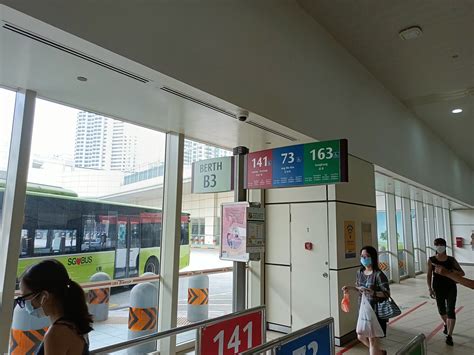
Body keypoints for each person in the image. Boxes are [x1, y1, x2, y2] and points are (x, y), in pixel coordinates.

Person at [15, 259, 93, 354]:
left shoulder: (56, 334)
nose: (24, 302)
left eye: (25, 297)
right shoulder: (75, 321)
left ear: (44, 297)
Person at [343, 246, 389, 355]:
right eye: (362, 256)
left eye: (367, 256)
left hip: (375, 312)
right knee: (360, 336)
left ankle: (376, 352)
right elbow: (360, 289)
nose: (365, 258)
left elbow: (386, 294)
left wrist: (372, 292)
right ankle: (380, 353)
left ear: (373, 257)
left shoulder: (379, 275)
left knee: (372, 340)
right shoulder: (360, 272)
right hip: (363, 310)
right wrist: (349, 288)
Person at [426, 238, 465, 346]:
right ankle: (446, 323)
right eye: (437, 245)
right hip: (438, 287)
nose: (439, 246)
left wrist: (450, 271)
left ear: (445, 246)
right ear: (435, 246)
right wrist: (430, 288)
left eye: (441, 245)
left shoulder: (451, 260)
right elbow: (429, 275)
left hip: (451, 287)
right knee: (441, 309)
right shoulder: (432, 260)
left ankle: (449, 335)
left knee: (450, 309)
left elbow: (462, 273)